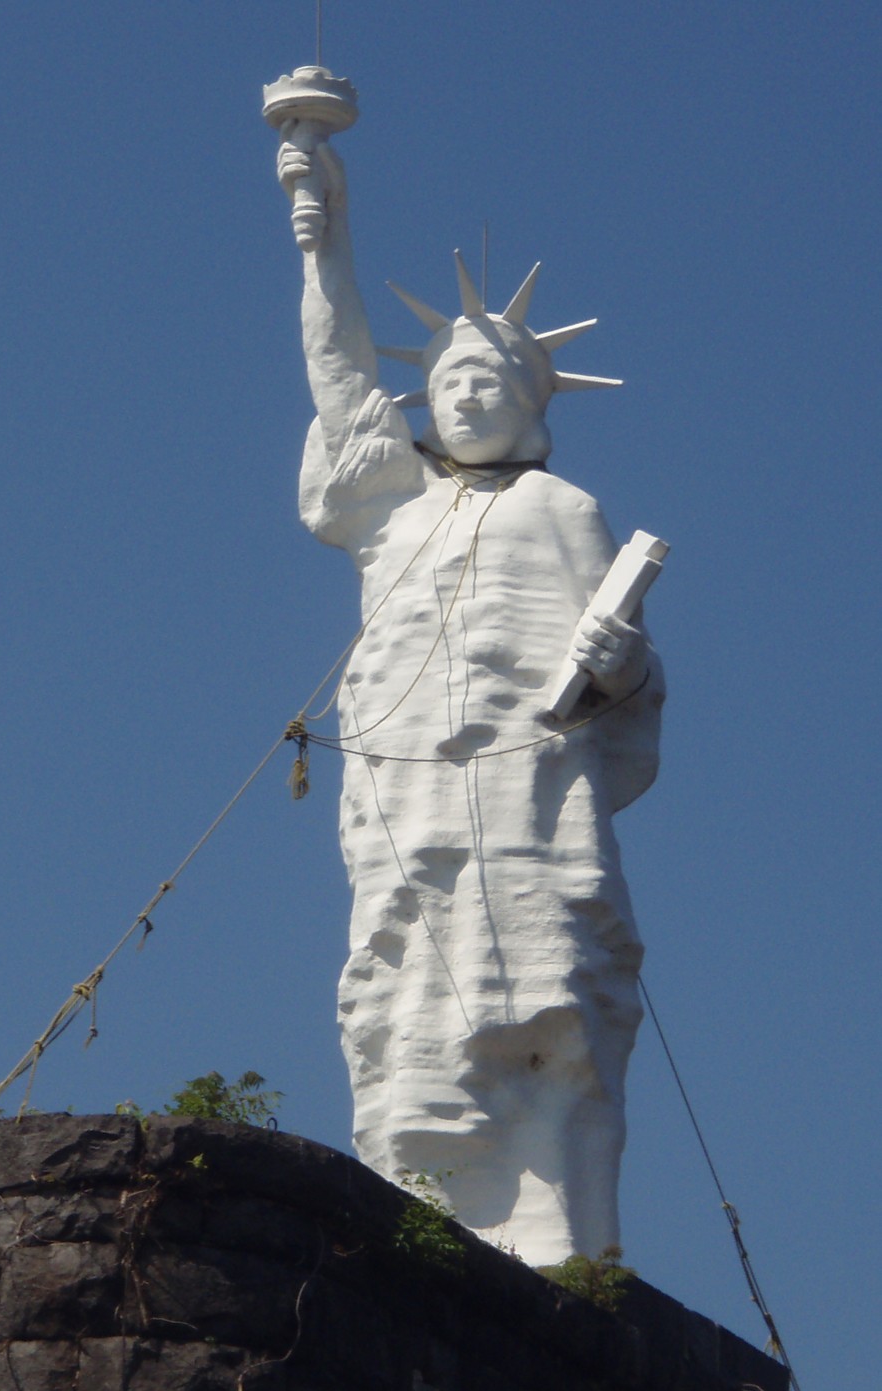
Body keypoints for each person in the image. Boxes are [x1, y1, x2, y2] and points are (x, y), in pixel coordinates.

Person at [277, 132, 664, 1263]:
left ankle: (563, 1236)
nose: (466, 393)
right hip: (409, 795)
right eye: (448, 379)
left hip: (534, 795)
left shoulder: (564, 510)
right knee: (400, 995)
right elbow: (342, 378)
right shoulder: (395, 507)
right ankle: (423, 1213)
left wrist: (612, 653)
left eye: (489, 378)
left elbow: (636, 682)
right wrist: (322, 236)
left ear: (532, 398)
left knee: (555, 992)